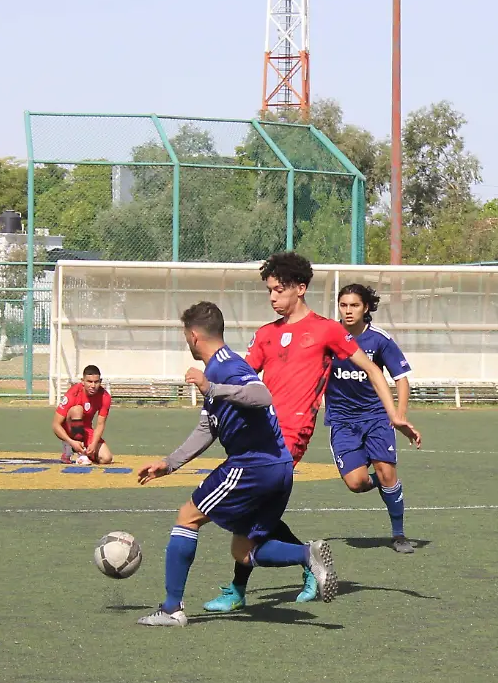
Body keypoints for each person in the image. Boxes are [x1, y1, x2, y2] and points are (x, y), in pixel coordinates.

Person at [201, 252, 420, 612]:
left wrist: (395, 414)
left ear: (300, 289)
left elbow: (374, 371)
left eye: (279, 290)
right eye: (269, 291)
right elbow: (243, 378)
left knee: (247, 512)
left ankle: (248, 585)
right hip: (260, 433)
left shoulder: (327, 330)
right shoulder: (266, 335)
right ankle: (298, 565)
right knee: (254, 515)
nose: (272, 297)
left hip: (289, 437)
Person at [135, 301, 335, 626]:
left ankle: (172, 609)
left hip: (252, 466)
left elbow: (261, 395)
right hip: (278, 466)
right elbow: (208, 428)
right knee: (244, 550)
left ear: (194, 335)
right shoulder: (221, 368)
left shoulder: (225, 366)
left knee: (187, 517)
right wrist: (169, 463)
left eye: (186, 336)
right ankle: (305, 555)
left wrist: (210, 387)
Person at [328, 283, 417, 554]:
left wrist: (398, 414)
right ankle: (385, 481)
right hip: (342, 420)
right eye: (343, 305)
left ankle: (399, 534)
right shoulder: (330, 336)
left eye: (354, 305)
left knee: (386, 471)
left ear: (366, 308)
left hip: (376, 416)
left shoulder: (379, 339)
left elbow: (401, 379)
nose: (348, 311)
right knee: (356, 483)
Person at [53, 364, 114, 464]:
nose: (93, 385)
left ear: (100, 381)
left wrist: (93, 444)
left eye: (96, 382)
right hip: (68, 428)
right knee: (77, 410)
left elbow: (100, 424)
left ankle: (84, 450)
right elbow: (56, 425)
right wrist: (71, 442)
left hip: (85, 430)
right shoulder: (73, 392)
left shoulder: (105, 396)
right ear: (82, 381)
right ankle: (75, 451)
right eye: (89, 382)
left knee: (106, 458)